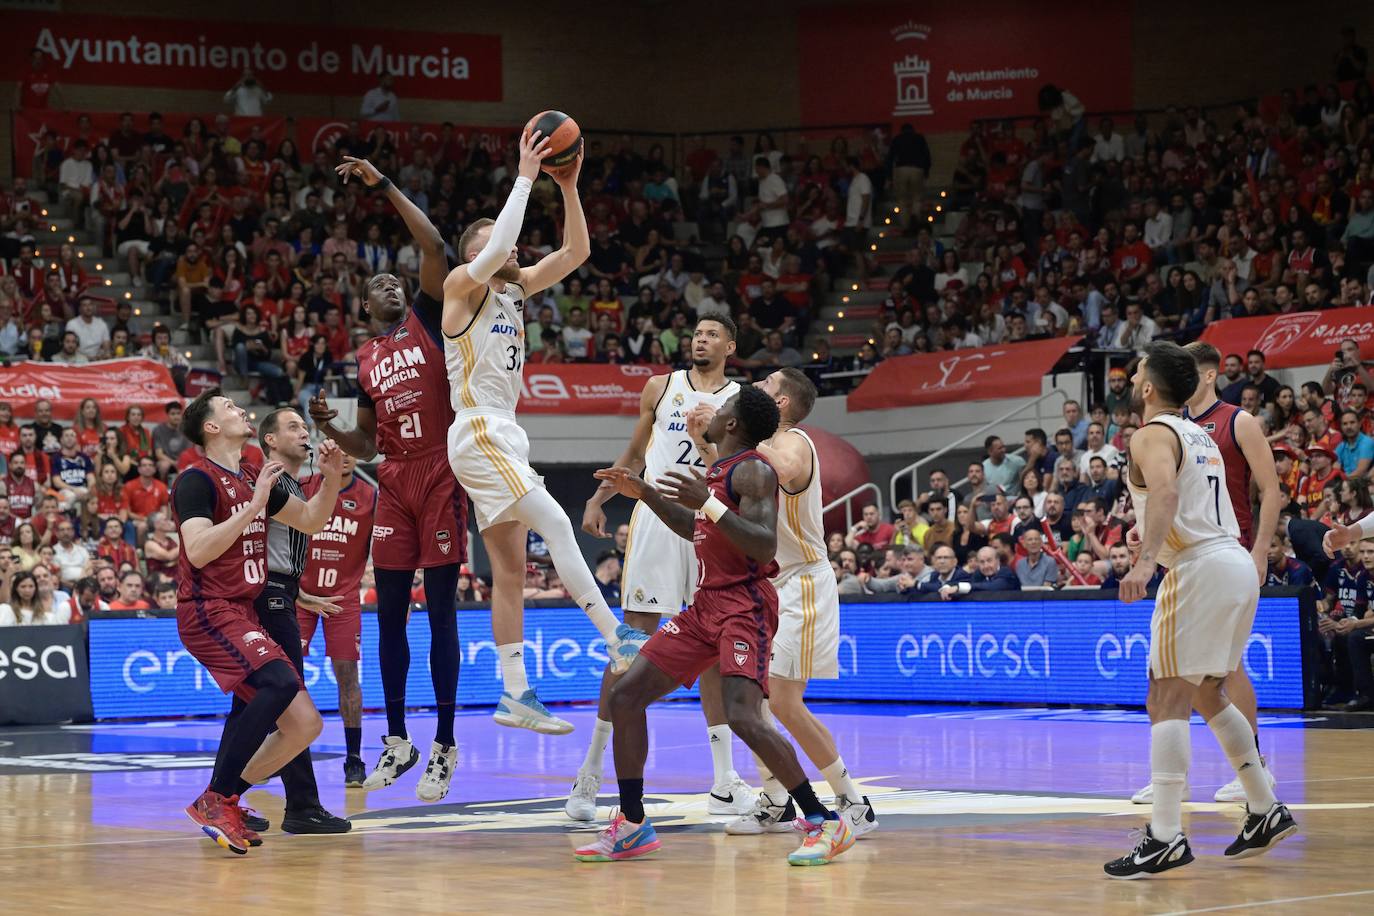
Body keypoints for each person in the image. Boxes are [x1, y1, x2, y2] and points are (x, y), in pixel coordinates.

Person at [582, 387, 854, 866]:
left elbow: (764, 545)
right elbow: (697, 529)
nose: (710, 410)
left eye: (722, 408)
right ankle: (632, 824)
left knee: (745, 716)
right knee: (625, 695)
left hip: (743, 607)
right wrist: (643, 491)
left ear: (731, 424)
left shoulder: (753, 469)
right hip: (704, 606)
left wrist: (707, 502)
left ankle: (824, 822)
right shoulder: (719, 470)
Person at [440, 126, 649, 740]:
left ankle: (514, 693)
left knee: (509, 573)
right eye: (494, 246)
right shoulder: (461, 287)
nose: (510, 250)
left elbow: (575, 252)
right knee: (556, 524)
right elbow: (497, 241)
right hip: (480, 430)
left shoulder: (516, 289)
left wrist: (570, 186)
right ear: (475, 256)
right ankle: (617, 638)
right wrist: (526, 176)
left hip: (501, 434)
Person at [309, 154, 474, 803]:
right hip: (393, 478)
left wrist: (381, 185)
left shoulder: (428, 319)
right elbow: (364, 440)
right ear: (363, 303)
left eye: (394, 281)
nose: (389, 285)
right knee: (389, 623)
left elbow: (432, 244)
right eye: (377, 284)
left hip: (438, 468)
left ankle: (444, 744)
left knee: (438, 614)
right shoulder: (366, 357)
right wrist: (333, 428)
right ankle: (398, 740)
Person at [1104, 341, 1296, 879]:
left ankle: (1164, 835)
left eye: (1138, 370)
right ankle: (1263, 807)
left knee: (1165, 691)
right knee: (1210, 688)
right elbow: (1182, 496)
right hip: (1231, 558)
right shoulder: (1199, 433)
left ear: (1146, 387)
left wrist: (1145, 562)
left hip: (1197, 566)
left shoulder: (1150, 434)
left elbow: (1165, 493)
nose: (1135, 375)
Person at [567, 316, 751, 822]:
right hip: (654, 514)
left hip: (710, 516)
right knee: (632, 642)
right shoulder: (659, 386)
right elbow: (634, 450)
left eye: (713, 334)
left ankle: (724, 780)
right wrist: (601, 494)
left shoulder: (741, 397)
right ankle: (590, 774)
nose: (701, 338)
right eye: (697, 332)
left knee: (718, 639)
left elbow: (744, 461)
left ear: (730, 346)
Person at [706, 368, 878, 837]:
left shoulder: (795, 441)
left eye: (765, 385)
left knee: (783, 702)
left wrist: (737, 436)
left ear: (781, 404)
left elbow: (782, 470)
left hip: (802, 581)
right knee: (753, 700)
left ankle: (853, 801)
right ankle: (778, 800)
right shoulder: (754, 448)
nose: (755, 386)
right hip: (767, 583)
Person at [174, 388, 344, 855]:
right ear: (211, 427)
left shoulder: (253, 473)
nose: (240, 410)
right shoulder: (196, 480)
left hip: (244, 609)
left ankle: (222, 798)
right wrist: (253, 506)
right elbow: (199, 550)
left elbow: (309, 520)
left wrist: (329, 480)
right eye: (228, 407)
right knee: (278, 683)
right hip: (209, 609)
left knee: (305, 724)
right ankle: (220, 798)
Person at [1130, 341, 1285, 806]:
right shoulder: (1190, 431)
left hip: (1214, 552)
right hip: (1212, 551)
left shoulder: (1231, 421)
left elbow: (1270, 488)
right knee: (1205, 686)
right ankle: (1257, 798)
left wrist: (1261, 549)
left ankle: (1168, 818)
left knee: (1177, 687)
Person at [213, 407, 352, 836]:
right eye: (293, 426)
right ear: (269, 439)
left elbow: (281, 546)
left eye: (303, 426)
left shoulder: (286, 482)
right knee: (292, 705)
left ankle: (221, 799)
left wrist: (299, 593)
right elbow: (275, 540)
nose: (304, 432)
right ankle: (300, 805)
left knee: (250, 708)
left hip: (279, 594)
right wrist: (280, 592)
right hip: (268, 599)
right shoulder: (267, 479)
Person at [297, 452, 375, 787]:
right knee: (283, 674)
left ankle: (354, 759)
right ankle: (280, 751)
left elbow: (385, 547)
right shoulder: (302, 486)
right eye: (334, 451)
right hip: (299, 595)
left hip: (343, 598)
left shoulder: (371, 497)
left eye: (348, 451)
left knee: (347, 675)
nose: (342, 458)